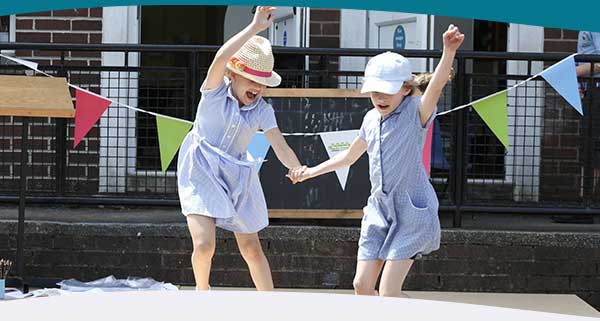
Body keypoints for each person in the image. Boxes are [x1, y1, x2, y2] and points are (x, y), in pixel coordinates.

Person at [290, 25, 464, 297]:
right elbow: (349, 156)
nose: (380, 97)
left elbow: (438, 83)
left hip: (411, 211)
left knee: (389, 292)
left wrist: (448, 51)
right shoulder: (370, 119)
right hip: (379, 211)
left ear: (406, 89)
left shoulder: (415, 112)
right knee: (361, 286)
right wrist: (310, 172)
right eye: (374, 91)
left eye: (387, 90)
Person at [177, 6, 306, 291]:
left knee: (251, 247)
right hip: (201, 168)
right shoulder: (213, 93)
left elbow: (280, 145)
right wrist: (254, 28)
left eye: (262, 83)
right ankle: (202, 293)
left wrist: (295, 167)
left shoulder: (262, 110)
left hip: (237, 172)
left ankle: (269, 303)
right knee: (204, 245)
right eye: (252, 80)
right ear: (233, 75)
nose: (258, 88)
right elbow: (221, 57)